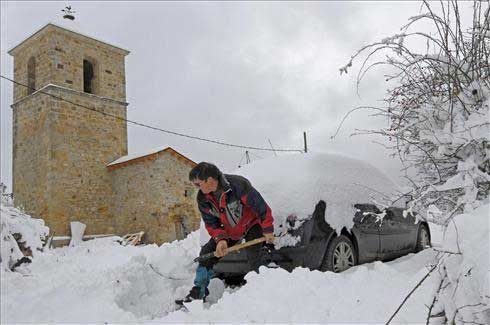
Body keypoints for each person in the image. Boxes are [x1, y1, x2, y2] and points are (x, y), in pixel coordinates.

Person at [177, 162, 274, 304]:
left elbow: (262, 208)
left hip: (252, 224)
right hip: (230, 230)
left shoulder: (238, 185)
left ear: (209, 180)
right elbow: (211, 223)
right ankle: (199, 291)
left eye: (198, 184)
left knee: (255, 256)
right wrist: (221, 240)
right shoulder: (203, 199)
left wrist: (267, 230)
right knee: (206, 254)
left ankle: (263, 290)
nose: (196, 188)